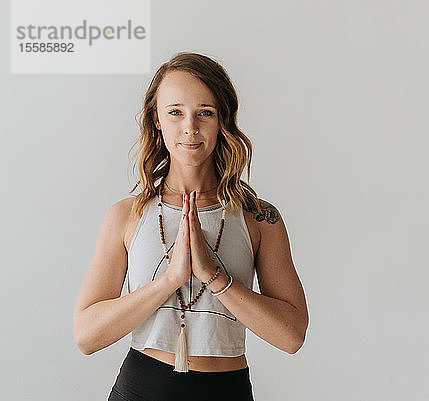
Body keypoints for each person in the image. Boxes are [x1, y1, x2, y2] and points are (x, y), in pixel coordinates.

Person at [73, 52, 309, 400]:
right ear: (156, 118)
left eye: (205, 113)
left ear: (222, 120)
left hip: (225, 390)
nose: (190, 127)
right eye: (175, 112)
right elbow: (86, 336)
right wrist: (170, 279)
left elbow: (291, 337)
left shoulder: (259, 218)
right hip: (142, 388)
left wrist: (213, 276)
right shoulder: (126, 215)